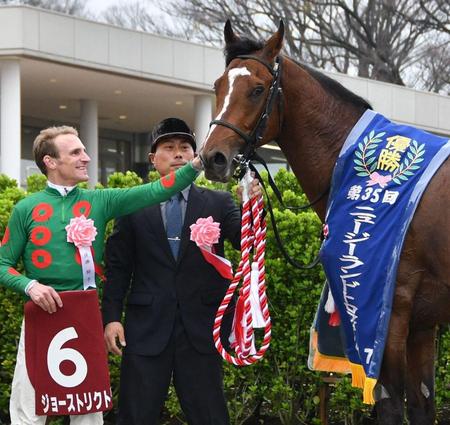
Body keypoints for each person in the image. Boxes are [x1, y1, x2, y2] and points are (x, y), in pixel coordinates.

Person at [0, 125, 203, 425]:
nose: (87, 158)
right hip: (39, 317)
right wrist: (30, 286)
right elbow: (2, 264)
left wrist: (198, 163)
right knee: (28, 412)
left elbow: (158, 189)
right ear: (50, 162)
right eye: (76, 153)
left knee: (88, 411)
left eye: (84, 150)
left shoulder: (101, 201)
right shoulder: (26, 209)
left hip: (84, 315)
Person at [102, 117, 261, 425]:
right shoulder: (132, 204)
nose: (178, 154)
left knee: (210, 416)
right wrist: (111, 318)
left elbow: (247, 242)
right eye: (169, 147)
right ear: (153, 159)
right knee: (136, 415)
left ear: (195, 155)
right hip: (146, 329)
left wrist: (250, 208)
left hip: (201, 329)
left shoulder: (218, 201)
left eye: (185, 147)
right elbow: (118, 268)